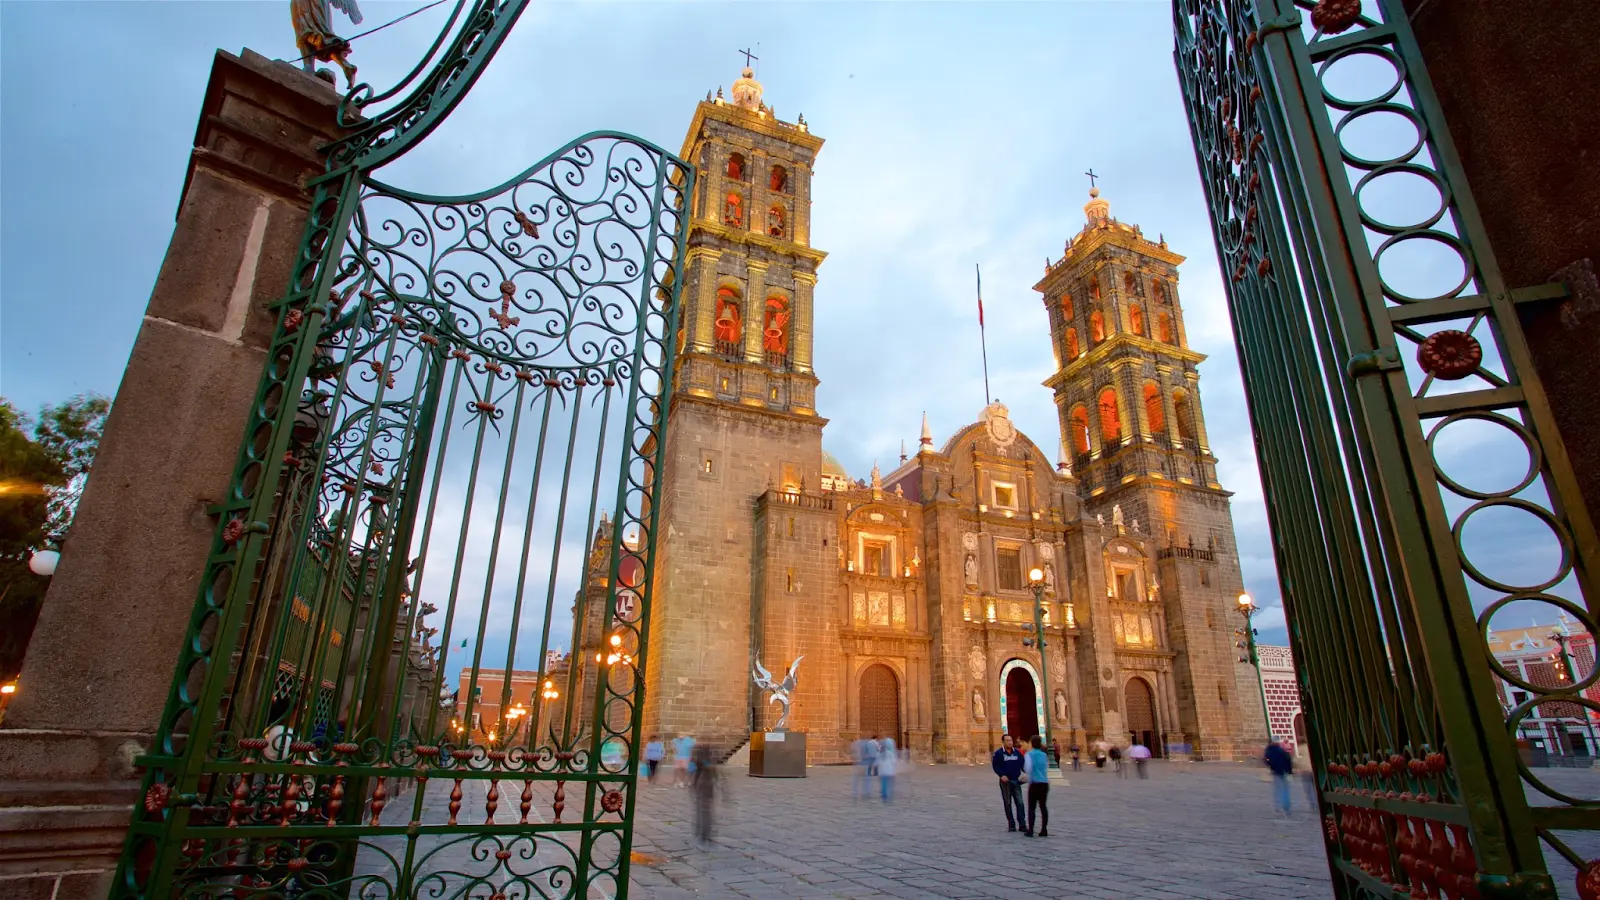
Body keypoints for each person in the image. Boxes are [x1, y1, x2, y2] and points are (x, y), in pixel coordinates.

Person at [991, 734, 1026, 832]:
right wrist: (1001, 775)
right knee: (1008, 803)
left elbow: (1022, 764)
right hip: (1005, 782)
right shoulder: (998, 753)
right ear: (1003, 742)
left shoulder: (1017, 753)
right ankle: (1011, 824)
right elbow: (996, 766)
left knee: (1020, 803)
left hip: (1016, 780)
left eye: (1010, 740)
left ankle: (1022, 824)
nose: (1010, 742)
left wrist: (1026, 773)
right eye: (1007, 740)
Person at [1022, 735, 1051, 837]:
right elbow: (1046, 766)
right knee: (1043, 807)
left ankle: (1030, 830)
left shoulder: (1029, 754)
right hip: (1044, 783)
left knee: (1032, 808)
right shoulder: (1044, 755)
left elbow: (1027, 768)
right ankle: (1044, 829)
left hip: (1034, 783)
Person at [690, 742, 718, 843]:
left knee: (704, 810)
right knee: (705, 811)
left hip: (704, 787)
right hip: (704, 787)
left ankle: (702, 830)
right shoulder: (704, 762)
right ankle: (704, 831)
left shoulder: (702, 761)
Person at [1264, 739, 1294, 817]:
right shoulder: (1282, 750)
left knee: (1278, 790)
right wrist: (1290, 771)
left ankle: (1277, 806)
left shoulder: (1269, 751)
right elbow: (1288, 760)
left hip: (1276, 772)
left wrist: (1272, 767)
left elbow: (1267, 760)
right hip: (1284, 771)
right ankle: (1286, 806)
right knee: (1285, 790)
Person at [878, 736, 899, 802]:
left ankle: (884, 795)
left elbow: (877, 762)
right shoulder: (890, 753)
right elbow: (894, 761)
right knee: (890, 783)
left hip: (882, 771)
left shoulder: (880, 754)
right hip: (890, 771)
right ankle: (890, 794)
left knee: (884, 783)